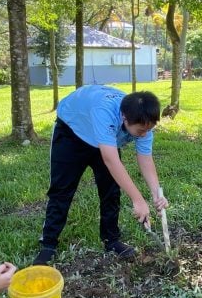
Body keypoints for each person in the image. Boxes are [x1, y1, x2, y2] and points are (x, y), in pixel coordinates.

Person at [33, 85, 168, 266]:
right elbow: (111, 159)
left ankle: (111, 240)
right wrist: (137, 199)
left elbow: (145, 159)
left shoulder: (143, 123)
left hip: (106, 140)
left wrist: (155, 193)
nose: (144, 134)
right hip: (72, 133)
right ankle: (48, 245)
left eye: (148, 130)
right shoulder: (104, 112)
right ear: (124, 118)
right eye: (140, 131)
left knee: (111, 191)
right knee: (61, 191)